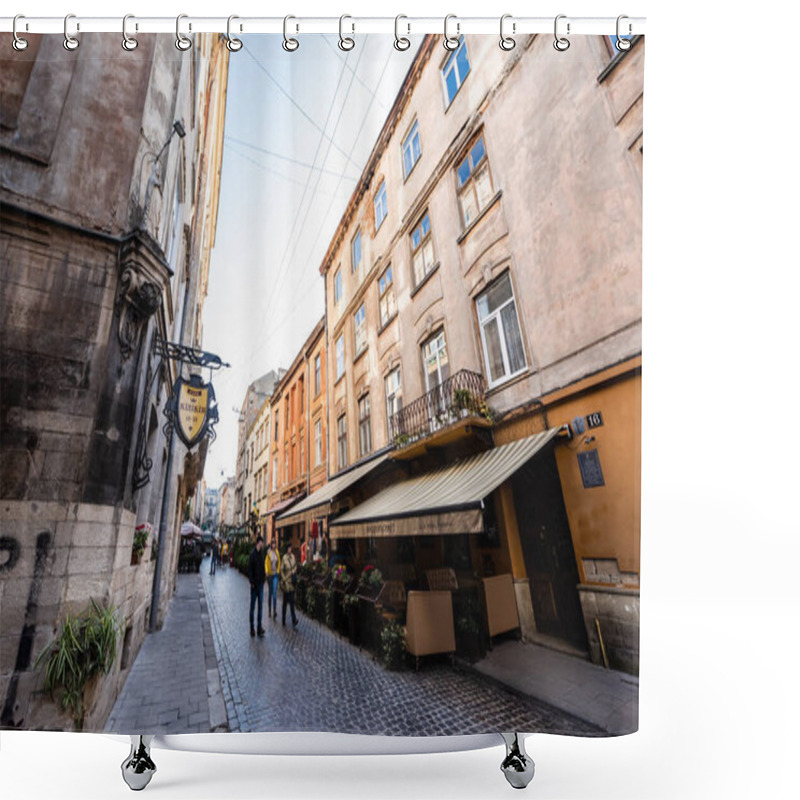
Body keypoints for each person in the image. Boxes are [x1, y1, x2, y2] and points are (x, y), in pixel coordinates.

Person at [247, 536, 266, 637]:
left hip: (260, 584)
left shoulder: (261, 554)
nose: (262, 544)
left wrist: (263, 579)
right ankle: (252, 628)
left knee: (260, 607)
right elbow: (249, 569)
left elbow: (262, 568)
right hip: (254, 586)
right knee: (253, 607)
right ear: (258, 543)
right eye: (262, 543)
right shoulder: (253, 555)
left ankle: (259, 627)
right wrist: (252, 582)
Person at [280, 542, 299, 628]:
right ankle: (283, 619)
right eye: (289, 548)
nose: (290, 549)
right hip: (286, 584)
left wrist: (294, 570)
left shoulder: (293, 557)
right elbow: (281, 570)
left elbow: (295, 566)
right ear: (287, 549)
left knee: (291, 602)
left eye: (291, 548)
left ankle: (294, 620)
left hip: (291, 583)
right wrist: (284, 579)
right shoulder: (284, 558)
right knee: (284, 603)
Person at [264, 538, 280, 621]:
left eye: (275, 543)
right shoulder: (268, 553)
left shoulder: (277, 552)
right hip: (270, 575)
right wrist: (266, 571)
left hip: (275, 575)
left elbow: (279, 562)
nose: (274, 545)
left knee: (274, 593)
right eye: (273, 543)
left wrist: (277, 571)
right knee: (270, 593)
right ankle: (270, 610)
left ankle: (274, 611)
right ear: (271, 544)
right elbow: (266, 563)